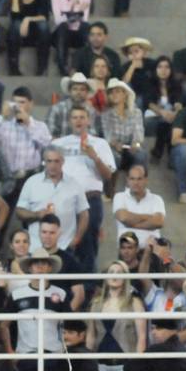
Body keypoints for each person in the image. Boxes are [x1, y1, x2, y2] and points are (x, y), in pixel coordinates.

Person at [0, 248, 70, 371]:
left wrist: (63, 350)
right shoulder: (17, 294)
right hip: (26, 355)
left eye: (44, 263)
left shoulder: (60, 294)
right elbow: (3, 325)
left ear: (49, 267)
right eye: (36, 263)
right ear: (30, 267)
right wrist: (10, 352)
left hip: (53, 355)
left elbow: (69, 325)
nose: (40, 267)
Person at [53, 106, 115, 273]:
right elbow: (48, 173)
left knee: (88, 245)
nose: (78, 120)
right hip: (63, 198)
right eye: (74, 117)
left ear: (88, 120)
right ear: (69, 121)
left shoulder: (100, 143)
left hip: (90, 199)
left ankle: (88, 287)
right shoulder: (57, 144)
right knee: (62, 243)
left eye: (82, 117)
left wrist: (94, 157)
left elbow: (108, 175)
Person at [87, 261, 146, 371]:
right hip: (102, 363)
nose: (114, 275)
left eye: (119, 272)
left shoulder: (133, 302)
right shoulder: (97, 303)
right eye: (111, 271)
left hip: (125, 363)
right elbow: (91, 335)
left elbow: (141, 336)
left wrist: (137, 365)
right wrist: (88, 363)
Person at [0, 87, 51, 230]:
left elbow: (47, 144)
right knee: (0, 214)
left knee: (33, 214)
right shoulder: (4, 126)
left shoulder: (40, 126)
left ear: (31, 104)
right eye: (15, 103)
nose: (18, 107)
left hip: (31, 177)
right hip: (9, 177)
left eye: (22, 102)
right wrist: (1, 117)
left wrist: (28, 123)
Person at [16, 146, 89, 256]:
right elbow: (19, 211)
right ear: (44, 162)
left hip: (65, 246)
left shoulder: (74, 184)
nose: (53, 165)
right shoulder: (32, 182)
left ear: (63, 161)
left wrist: (76, 239)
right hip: (36, 247)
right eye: (49, 161)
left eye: (56, 161)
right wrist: (36, 215)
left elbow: (84, 214)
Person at [102, 78, 146, 187]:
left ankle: (135, 187)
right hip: (114, 148)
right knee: (113, 156)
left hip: (130, 147)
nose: (114, 95)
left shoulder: (136, 112)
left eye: (117, 91)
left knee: (141, 155)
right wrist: (115, 144)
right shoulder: (106, 114)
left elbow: (138, 134)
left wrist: (135, 144)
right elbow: (108, 136)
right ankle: (109, 189)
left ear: (125, 94)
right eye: (111, 93)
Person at [37, 213, 85, 310]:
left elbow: (79, 295)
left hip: (60, 312)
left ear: (59, 233)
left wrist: (64, 318)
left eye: (52, 233)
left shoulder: (70, 261)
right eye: (44, 232)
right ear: (39, 233)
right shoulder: (32, 259)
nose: (47, 236)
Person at [112, 164, 165, 247]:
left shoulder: (156, 199)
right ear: (127, 180)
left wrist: (131, 224)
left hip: (152, 251)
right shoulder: (119, 196)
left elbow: (158, 222)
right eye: (132, 179)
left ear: (146, 180)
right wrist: (149, 218)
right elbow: (123, 217)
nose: (135, 183)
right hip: (127, 252)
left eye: (139, 179)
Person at [144, 56, 184, 163]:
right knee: (166, 118)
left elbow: (179, 102)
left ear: (171, 70)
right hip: (152, 119)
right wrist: (162, 112)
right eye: (160, 67)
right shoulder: (149, 83)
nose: (163, 70)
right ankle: (171, 152)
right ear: (155, 69)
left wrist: (174, 113)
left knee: (166, 123)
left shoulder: (176, 84)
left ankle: (158, 150)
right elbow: (148, 103)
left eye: (167, 67)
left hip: (169, 119)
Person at [6, 0, 49, 77]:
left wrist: (27, 19)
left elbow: (44, 16)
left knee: (43, 25)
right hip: (20, 34)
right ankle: (14, 68)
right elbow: (14, 17)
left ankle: (42, 68)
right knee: (15, 25)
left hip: (37, 35)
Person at [50, 0, 90, 76]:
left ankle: (87, 65)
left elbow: (84, 20)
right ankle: (63, 68)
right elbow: (58, 20)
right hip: (61, 34)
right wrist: (73, 6)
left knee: (86, 27)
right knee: (63, 27)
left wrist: (69, 14)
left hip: (78, 33)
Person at [47, 72, 100, 139]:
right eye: (75, 89)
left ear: (87, 92)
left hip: (85, 146)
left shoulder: (92, 111)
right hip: (60, 147)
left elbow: (94, 134)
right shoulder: (57, 108)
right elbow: (49, 133)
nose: (78, 92)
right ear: (69, 91)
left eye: (82, 89)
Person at [119, 37, 156, 103]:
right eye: (130, 53)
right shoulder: (125, 67)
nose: (133, 54)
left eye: (136, 51)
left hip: (152, 96)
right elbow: (124, 83)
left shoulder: (152, 64)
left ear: (143, 52)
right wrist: (132, 67)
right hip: (134, 98)